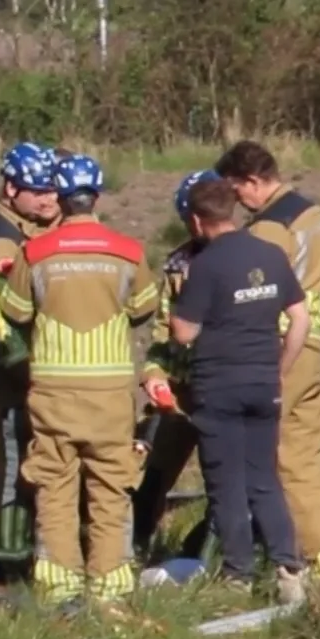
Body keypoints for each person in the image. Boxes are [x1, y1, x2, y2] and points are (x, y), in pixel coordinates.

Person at [0, 154, 158, 609]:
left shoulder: (35, 253)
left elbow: (15, 313)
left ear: (61, 200)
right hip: (109, 395)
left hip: (53, 393)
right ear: (97, 197)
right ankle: (109, 588)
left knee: (54, 489)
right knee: (111, 489)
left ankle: (59, 586)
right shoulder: (128, 252)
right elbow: (144, 308)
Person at [214, 140, 320, 581]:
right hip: (312, 342)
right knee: (307, 452)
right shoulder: (311, 214)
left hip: (280, 346)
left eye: (237, 193)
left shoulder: (268, 229)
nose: (236, 205)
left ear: (252, 181)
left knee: (283, 458)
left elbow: (255, 295)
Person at [169, 177, 311, 602]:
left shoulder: (206, 265)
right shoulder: (269, 254)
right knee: (264, 477)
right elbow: (300, 319)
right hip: (263, 382)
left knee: (226, 483)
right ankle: (290, 568)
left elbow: (182, 332)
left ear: (196, 221)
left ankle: (238, 576)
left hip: (219, 388)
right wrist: (279, 368)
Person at [0, 142, 61, 572]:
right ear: (10, 188)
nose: (48, 198)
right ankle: (8, 555)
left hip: (29, 369)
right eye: (37, 190)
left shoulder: (24, 226)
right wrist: (23, 366)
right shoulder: (2, 238)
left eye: (53, 191)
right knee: (14, 457)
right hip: (14, 371)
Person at [131, 169, 217, 556]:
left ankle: (213, 555)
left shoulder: (244, 259)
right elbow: (164, 330)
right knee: (150, 476)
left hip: (222, 391)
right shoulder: (177, 264)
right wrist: (153, 374)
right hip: (179, 395)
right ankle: (134, 546)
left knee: (225, 481)